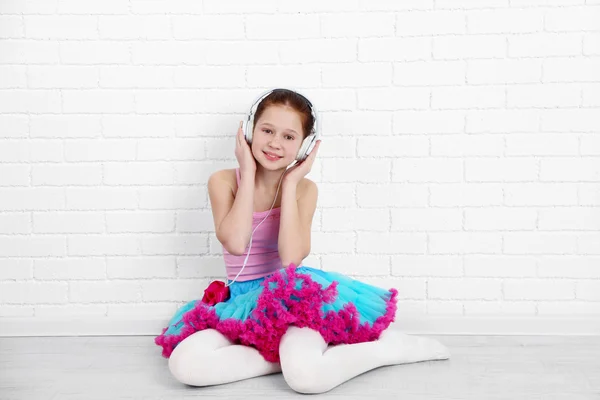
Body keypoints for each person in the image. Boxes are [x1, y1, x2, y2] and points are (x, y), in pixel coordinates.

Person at [155, 88, 450, 394]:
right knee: (185, 364)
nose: (274, 143)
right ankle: (288, 357)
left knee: (307, 378)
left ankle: (389, 349)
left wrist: (292, 182)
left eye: (288, 136)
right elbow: (236, 243)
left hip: (294, 298)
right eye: (267, 130)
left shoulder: (304, 189)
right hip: (241, 301)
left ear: (304, 145)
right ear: (249, 130)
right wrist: (247, 169)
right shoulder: (224, 181)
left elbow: (291, 258)